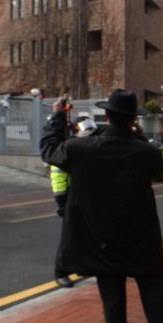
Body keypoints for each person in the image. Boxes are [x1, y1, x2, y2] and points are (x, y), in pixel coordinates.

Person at [40, 89, 163, 323]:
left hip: (102, 240)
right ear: (133, 120)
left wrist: (57, 115)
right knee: (155, 294)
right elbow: (161, 171)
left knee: (112, 300)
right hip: (141, 239)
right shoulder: (146, 152)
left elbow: (48, 148)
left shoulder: (80, 149)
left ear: (106, 115)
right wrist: (137, 136)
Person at [50, 117, 97, 288]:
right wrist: (61, 200)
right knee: (68, 236)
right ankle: (60, 272)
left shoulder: (92, 146)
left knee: (88, 234)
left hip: (88, 196)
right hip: (71, 195)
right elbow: (58, 175)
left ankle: (84, 266)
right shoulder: (69, 148)